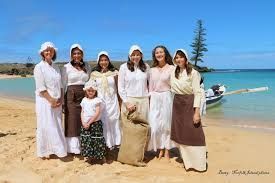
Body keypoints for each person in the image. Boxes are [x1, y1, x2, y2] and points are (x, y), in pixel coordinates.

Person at [170, 49, 207, 172]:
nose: (178, 59)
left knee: (194, 132)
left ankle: (199, 163)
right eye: (176, 57)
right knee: (181, 133)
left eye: (181, 57)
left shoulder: (194, 73)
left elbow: (197, 93)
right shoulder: (174, 72)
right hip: (177, 104)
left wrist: (197, 112)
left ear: (186, 58)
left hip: (189, 102)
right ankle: (187, 161)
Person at [117, 45, 150, 166]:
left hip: (144, 101)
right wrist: (126, 102)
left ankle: (140, 155)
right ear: (129, 55)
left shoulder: (146, 67)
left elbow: (151, 84)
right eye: (133, 54)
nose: (135, 57)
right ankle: (128, 155)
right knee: (129, 131)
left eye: (138, 54)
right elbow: (120, 87)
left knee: (141, 130)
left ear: (141, 55)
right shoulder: (123, 67)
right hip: (129, 102)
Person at [33, 41, 67, 158]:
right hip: (45, 101)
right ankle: (45, 151)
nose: (49, 52)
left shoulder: (56, 67)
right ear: (42, 53)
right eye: (46, 50)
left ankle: (56, 149)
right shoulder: (39, 67)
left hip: (57, 101)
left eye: (51, 50)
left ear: (54, 52)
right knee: (46, 124)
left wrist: (61, 99)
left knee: (56, 124)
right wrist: (51, 100)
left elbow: (61, 85)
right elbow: (41, 87)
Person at [147, 45, 175, 160]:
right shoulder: (151, 70)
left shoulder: (172, 68)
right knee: (155, 125)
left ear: (165, 54)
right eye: (157, 53)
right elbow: (150, 87)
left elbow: (175, 85)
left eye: (161, 52)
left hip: (167, 97)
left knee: (167, 125)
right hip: (154, 98)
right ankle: (159, 147)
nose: (159, 54)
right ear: (154, 55)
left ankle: (167, 149)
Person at [62, 44, 91, 155]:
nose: (76, 55)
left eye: (79, 53)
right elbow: (63, 84)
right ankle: (72, 148)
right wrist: (63, 102)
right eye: (74, 53)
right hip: (71, 96)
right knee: (72, 120)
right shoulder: (66, 67)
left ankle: (83, 145)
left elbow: (89, 81)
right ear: (71, 55)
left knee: (83, 119)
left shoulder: (87, 66)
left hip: (84, 95)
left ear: (82, 54)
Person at [90, 51, 121, 153]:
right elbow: (91, 89)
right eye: (101, 60)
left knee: (114, 121)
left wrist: (121, 103)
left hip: (113, 101)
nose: (104, 62)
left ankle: (116, 145)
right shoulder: (94, 74)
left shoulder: (115, 72)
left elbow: (119, 88)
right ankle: (106, 146)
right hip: (101, 102)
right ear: (98, 61)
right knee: (104, 123)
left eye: (105, 60)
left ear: (109, 61)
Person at [80, 80, 106, 163]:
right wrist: (83, 122)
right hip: (85, 124)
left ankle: (101, 157)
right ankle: (89, 157)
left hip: (95, 123)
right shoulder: (84, 100)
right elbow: (82, 112)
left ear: (95, 91)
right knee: (87, 140)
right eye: (89, 91)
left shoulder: (97, 100)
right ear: (86, 91)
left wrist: (89, 122)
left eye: (92, 91)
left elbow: (97, 112)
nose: (91, 92)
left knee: (97, 140)